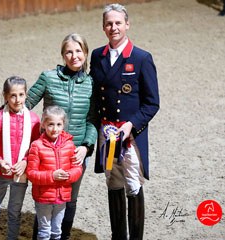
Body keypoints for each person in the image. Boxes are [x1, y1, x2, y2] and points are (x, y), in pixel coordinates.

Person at [90, 3, 160, 240]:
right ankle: (118, 236)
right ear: (103, 27)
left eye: (118, 23)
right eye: (109, 23)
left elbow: (152, 103)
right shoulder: (97, 56)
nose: (114, 27)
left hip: (129, 137)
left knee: (133, 183)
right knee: (113, 181)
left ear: (127, 24)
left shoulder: (141, 58)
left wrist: (132, 125)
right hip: (107, 137)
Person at [26, 33, 97, 240]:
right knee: (45, 199)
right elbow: (24, 105)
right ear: (63, 54)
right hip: (46, 152)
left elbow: (93, 119)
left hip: (75, 153)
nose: (74, 56)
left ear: (85, 53)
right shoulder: (48, 78)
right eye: (69, 51)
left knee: (69, 200)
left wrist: (86, 146)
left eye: (78, 51)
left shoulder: (91, 83)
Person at [0, 76, 41, 240]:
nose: (17, 99)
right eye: (13, 95)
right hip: (0, 174)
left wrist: (25, 161)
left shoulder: (34, 120)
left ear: (26, 95)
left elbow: (35, 148)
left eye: (21, 95)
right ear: (5, 96)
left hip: (20, 176)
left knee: (15, 213)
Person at [27, 105, 82, 240]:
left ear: (63, 125)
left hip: (62, 197)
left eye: (58, 124)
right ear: (44, 124)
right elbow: (31, 173)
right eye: (51, 124)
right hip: (44, 197)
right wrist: (52, 176)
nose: (55, 128)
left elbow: (77, 168)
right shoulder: (36, 146)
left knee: (57, 231)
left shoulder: (69, 145)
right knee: (44, 232)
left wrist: (69, 175)